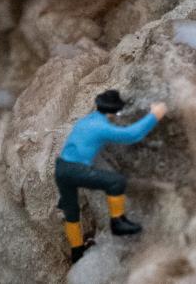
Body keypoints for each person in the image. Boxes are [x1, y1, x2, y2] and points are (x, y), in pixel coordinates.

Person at [54, 90, 168, 264]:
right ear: (113, 111)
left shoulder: (87, 120)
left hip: (61, 168)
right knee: (116, 181)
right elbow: (131, 135)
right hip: (75, 169)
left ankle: (76, 252)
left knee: (71, 213)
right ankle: (118, 222)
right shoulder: (101, 126)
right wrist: (154, 115)